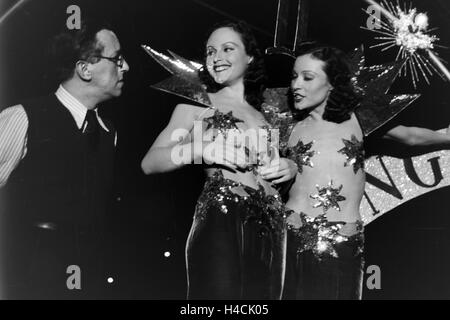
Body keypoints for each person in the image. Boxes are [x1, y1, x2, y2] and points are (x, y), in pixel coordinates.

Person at [278, 45, 450, 300]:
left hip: (340, 242)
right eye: (294, 76)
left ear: (333, 84)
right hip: (287, 239)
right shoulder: (286, 124)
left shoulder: (358, 118)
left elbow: (411, 136)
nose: (296, 85)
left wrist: (446, 136)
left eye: (308, 77)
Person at [141, 21, 297, 299]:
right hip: (223, 220)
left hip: (272, 226)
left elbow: (274, 179)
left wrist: (288, 169)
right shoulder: (197, 105)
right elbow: (150, 162)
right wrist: (200, 149)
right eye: (210, 51)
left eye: (227, 49)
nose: (216, 57)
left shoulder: (268, 116)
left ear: (249, 57)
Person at [0, 20, 130, 299]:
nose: (126, 67)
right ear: (84, 69)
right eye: (117, 59)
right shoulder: (22, 117)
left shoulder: (110, 133)